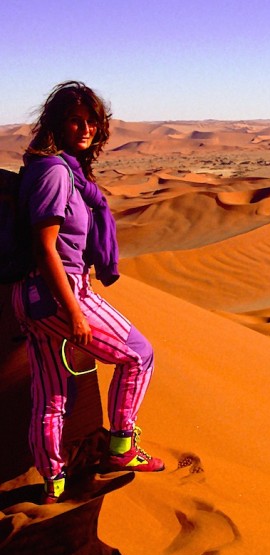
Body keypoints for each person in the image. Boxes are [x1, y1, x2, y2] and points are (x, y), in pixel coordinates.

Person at [11, 81, 164, 504]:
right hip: (60, 293)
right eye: (75, 121)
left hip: (32, 299)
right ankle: (122, 447)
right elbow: (46, 249)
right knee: (139, 354)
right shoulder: (57, 173)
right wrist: (74, 311)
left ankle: (52, 483)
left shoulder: (52, 169)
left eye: (91, 122)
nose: (85, 129)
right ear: (57, 125)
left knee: (51, 394)